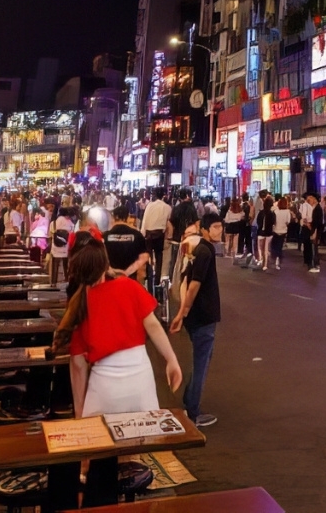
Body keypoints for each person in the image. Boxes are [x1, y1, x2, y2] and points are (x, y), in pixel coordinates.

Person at [51, 242, 184, 506]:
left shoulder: (80, 304)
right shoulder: (129, 286)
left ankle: (98, 498)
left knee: (99, 456)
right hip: (140, 381)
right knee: (135, 448)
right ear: (105, 264)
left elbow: (77, 367)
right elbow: (154, 326)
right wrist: (172, 360)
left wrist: (80, 414)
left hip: (105, 388)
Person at [168, 214, 225, 428]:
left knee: (201, 359)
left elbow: (186, 280)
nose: (220, 230)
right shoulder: (204, 251)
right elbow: (192, 285)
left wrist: (183, 313)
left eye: (221, 226)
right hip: (203, 316)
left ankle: (188, 402)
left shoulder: (200, 249)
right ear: (204, 229)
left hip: (198, 316)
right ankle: (192, 412)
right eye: (216, 227)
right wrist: (183, 313)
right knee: (201, 363)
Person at [103, 204, 149, 281]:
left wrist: (113, 272)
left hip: (111, 280)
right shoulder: (137, 235)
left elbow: (100, 258)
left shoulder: (105, 236)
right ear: (128, 218)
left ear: (113, 218)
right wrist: (127, 272)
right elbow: (144, 257)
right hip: (131, 279)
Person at [140, 192, 171, 291]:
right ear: (163, 196)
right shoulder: (167, 207)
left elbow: (144, 220)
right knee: (159, 256)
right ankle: (157, 280)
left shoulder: (149, 205)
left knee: (148, 256)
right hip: (159, 234)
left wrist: (143, 233)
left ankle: (148, 276)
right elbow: (168, 221)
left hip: (149, 233)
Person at [298, 194, 323, 273]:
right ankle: (311, 264)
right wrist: (309, 227)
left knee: (309, 245)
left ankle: (310, 262)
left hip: (310, 227)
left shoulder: (309, 206)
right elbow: (304, 217)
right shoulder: (306, 206)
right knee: (310, 246)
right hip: (308, 227)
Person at [269, 196, 292, 272]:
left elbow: (273, 221)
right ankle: (278, 259)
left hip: (275, 230)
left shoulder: (276, 211)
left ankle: (274, 257)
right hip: (283, 231)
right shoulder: (287, 212)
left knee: (274, 245)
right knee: (280, 245)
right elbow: (288, 221)